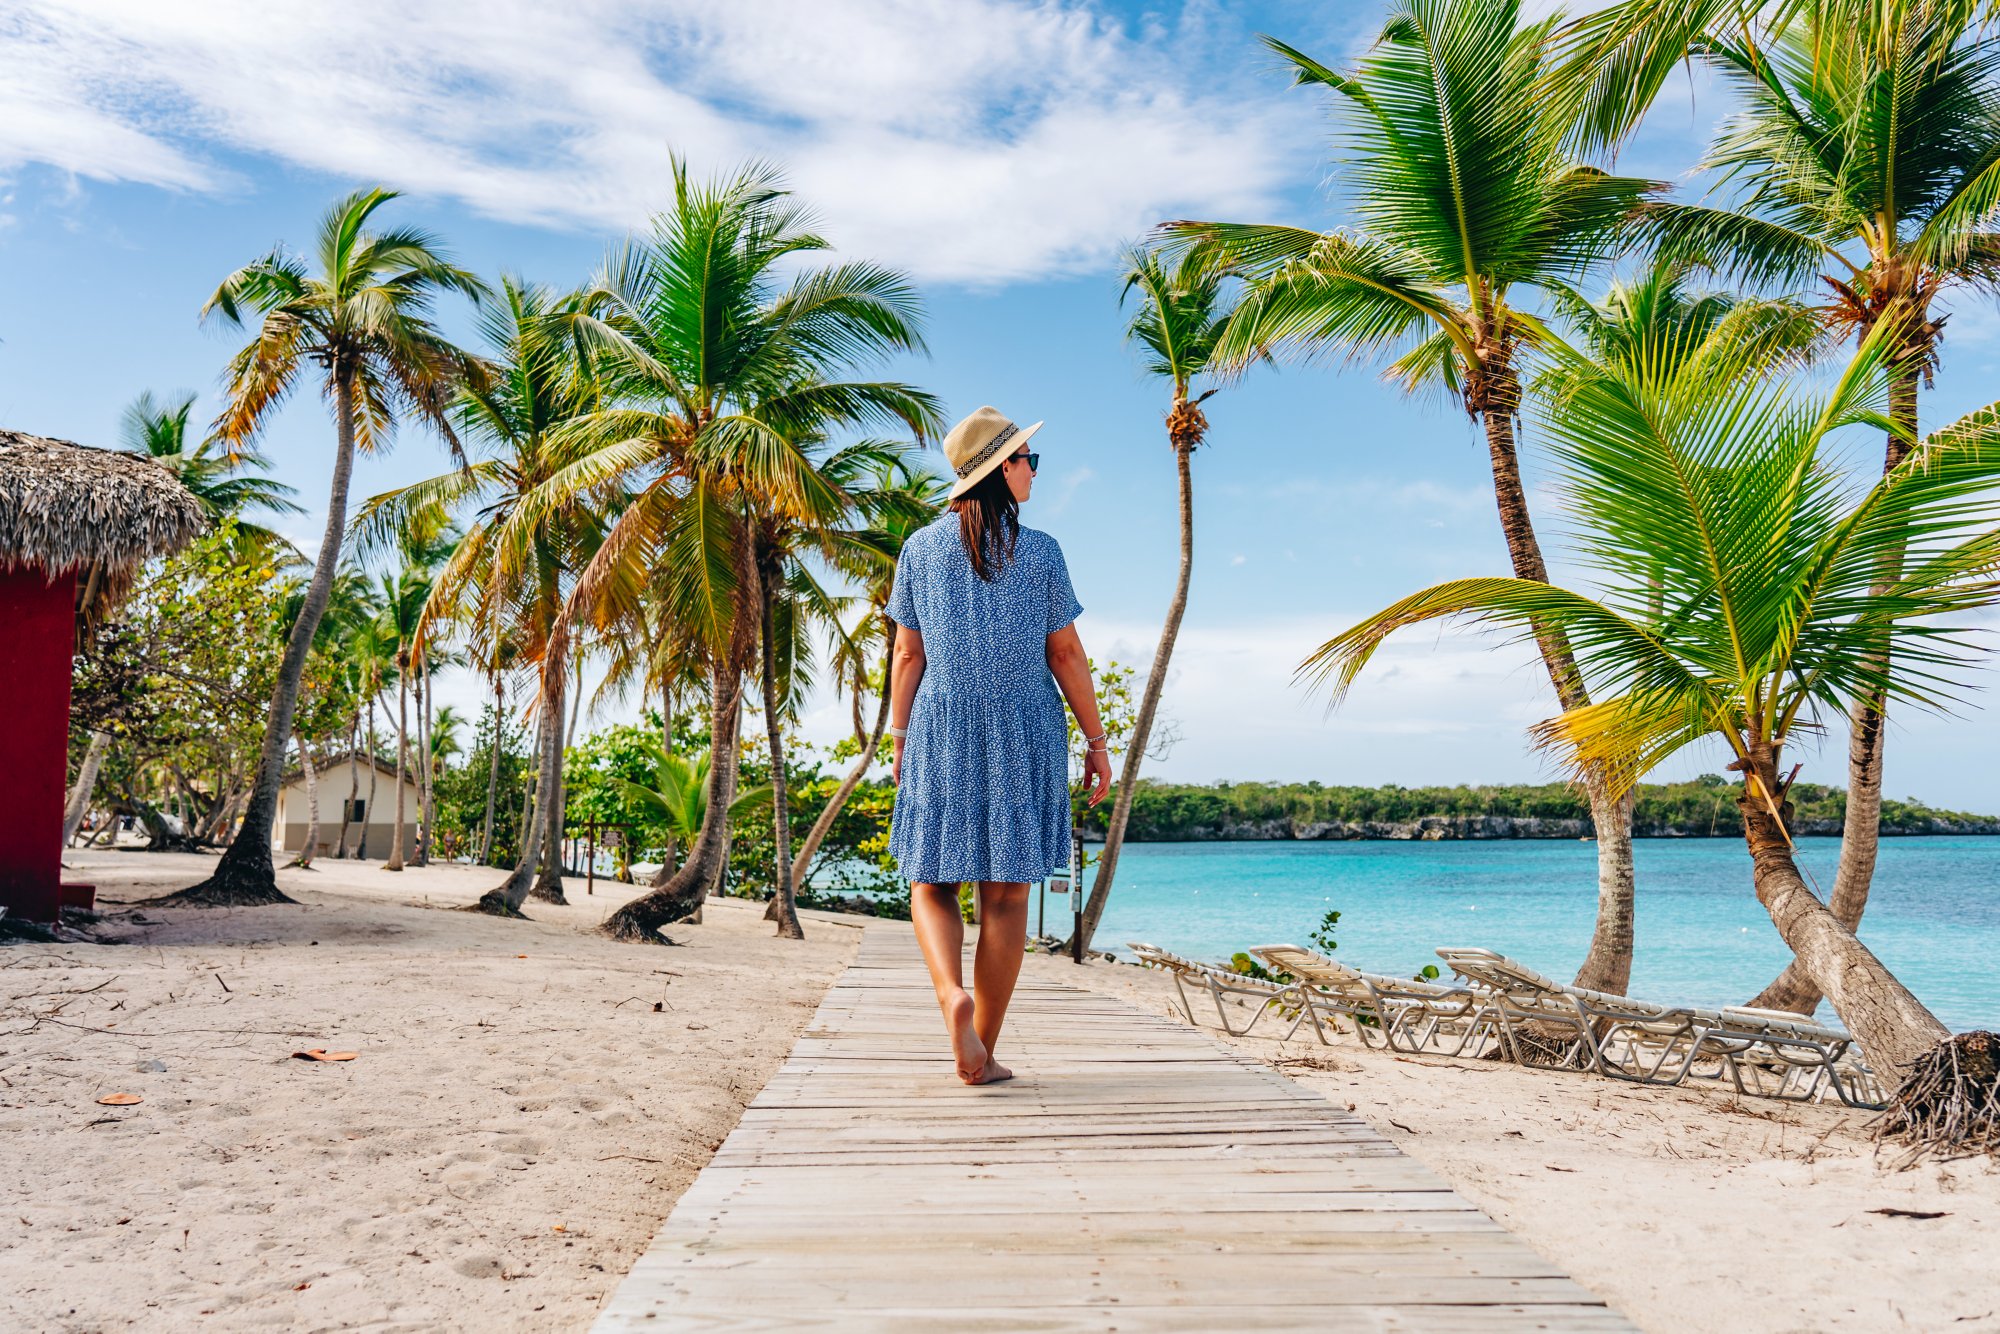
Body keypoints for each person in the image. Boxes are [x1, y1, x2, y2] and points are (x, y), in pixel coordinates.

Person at [885, 405, 1113, 1086]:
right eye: (1027, 460)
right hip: (1025, 726)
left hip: (943, 722)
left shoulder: (919, 549)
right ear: (1000, 470)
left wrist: (900, 736)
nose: (1034, 471)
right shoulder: (1040, 551)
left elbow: (906, 653)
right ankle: (979, 1046)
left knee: (932, 880)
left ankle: (950, 996)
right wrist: (1097, 744)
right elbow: (1066, 652)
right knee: (1007, 896)